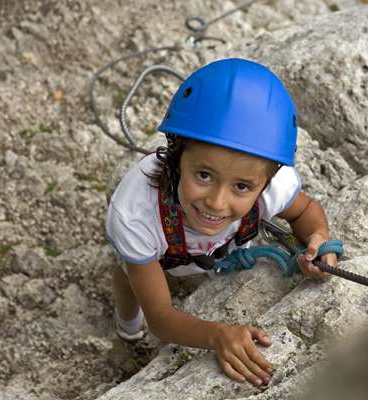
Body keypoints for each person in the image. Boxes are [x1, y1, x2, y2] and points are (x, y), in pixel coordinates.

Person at [105, 58, 338, 387]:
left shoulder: (274, 187)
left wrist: (318, 238)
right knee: (128, 275)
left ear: (266, 183)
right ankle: (126, 330)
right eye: (203, 175)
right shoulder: (137, 215)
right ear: (175, 157)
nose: (216, 202)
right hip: (160, 252)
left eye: (241, 187)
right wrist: (216, 335)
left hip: (208, 251)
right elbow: (160, 316)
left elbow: (304, 211)